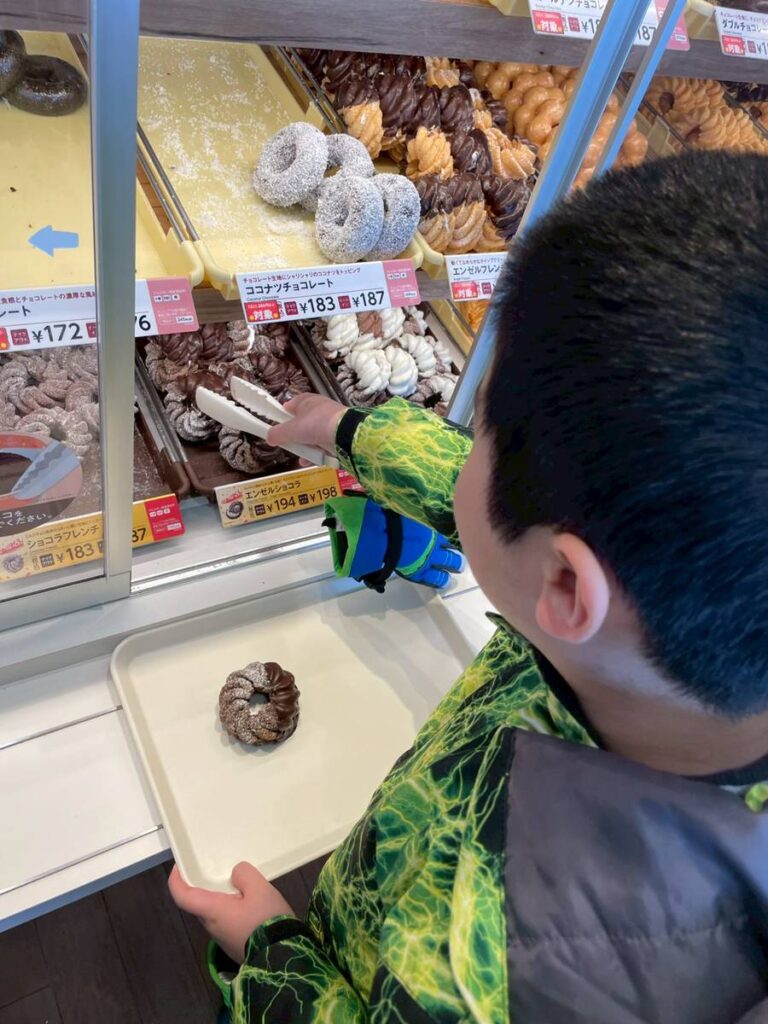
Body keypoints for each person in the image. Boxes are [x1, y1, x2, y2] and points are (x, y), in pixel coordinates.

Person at [169, 150, 768, 1023]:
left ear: (568, 588)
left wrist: (273, 959)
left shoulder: (489, 969)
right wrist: (350, 431)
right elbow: (505, 511)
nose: (467, 449)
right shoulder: (647, 648)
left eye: (480, 429)